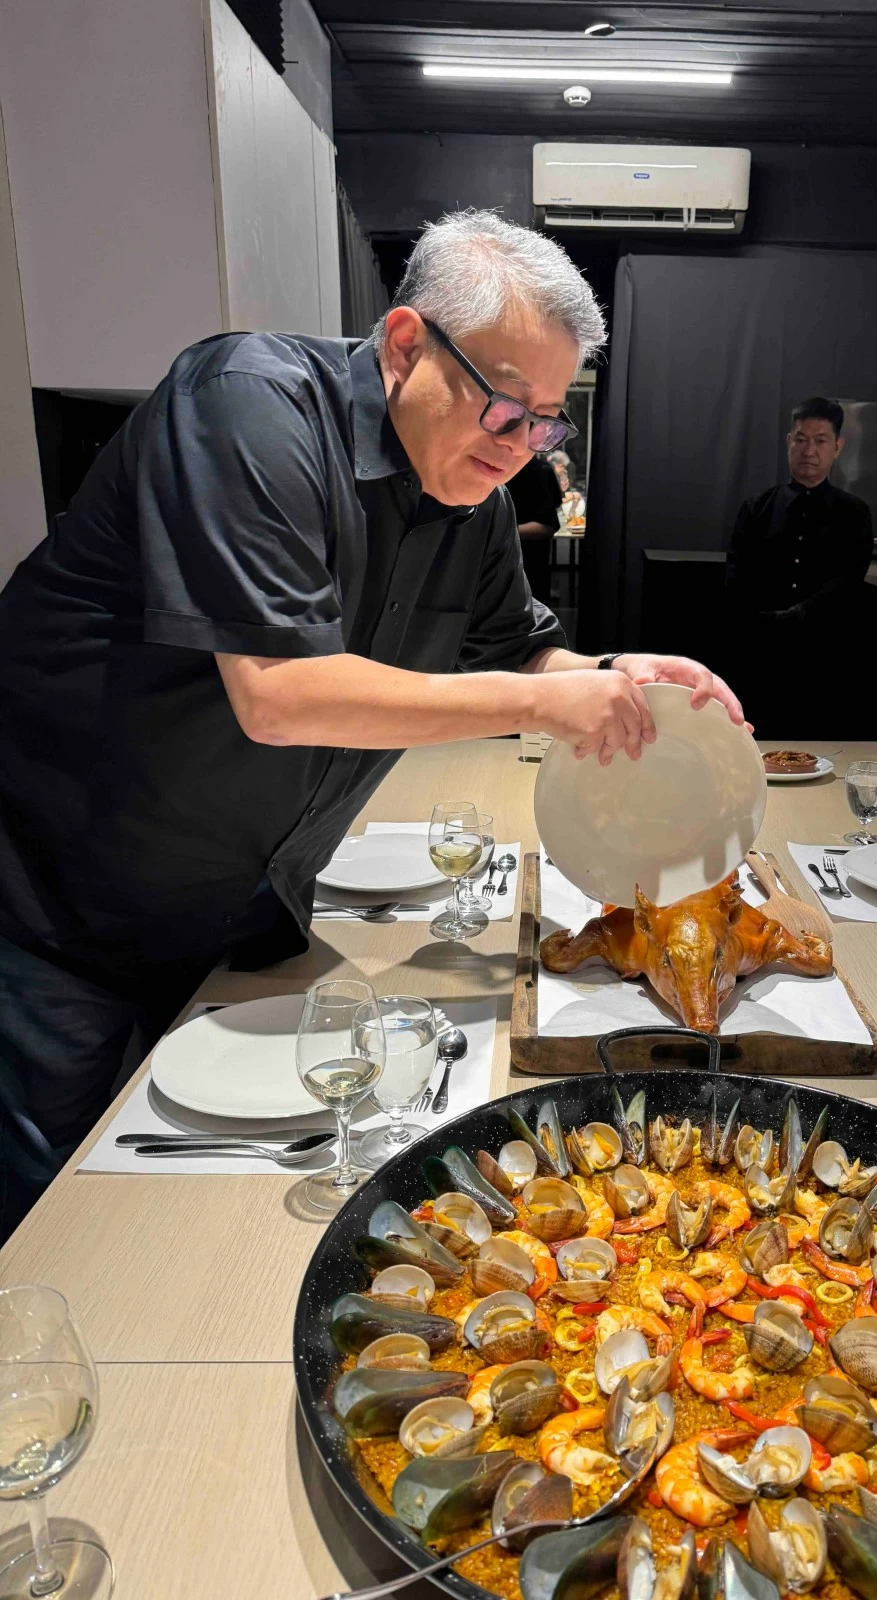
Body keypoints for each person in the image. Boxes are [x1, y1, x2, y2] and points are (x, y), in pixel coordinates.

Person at [0, 209, 743, 1237]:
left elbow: (518, 644)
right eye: (504, 408)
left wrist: (611, 672)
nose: (523, 449)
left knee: (221, 1223)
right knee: (63, 1236)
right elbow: (278, 692)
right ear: (405, 345)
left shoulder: (472, 496)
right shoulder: (248, 408)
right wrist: (541, 701)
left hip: (248, 907)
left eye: (547, 422)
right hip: (61, 902)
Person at [728, 397, 873, 732]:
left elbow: (848, 581)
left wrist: (799, 616)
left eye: (821, 441)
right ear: (788, 442)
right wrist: (762, 621)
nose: (810, 451)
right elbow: (736, 576)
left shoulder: (854, 513)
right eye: (801, 439)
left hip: (825, 652)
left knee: (821, 742)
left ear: (837, 447)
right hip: (760, 651)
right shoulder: (756, 508)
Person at [508, 455, 563, 607]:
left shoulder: (538, 470)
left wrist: (502, 532)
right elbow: (556, 503)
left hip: (529, 562)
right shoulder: (541, 468)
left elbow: (547, 526)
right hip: (518, 564)